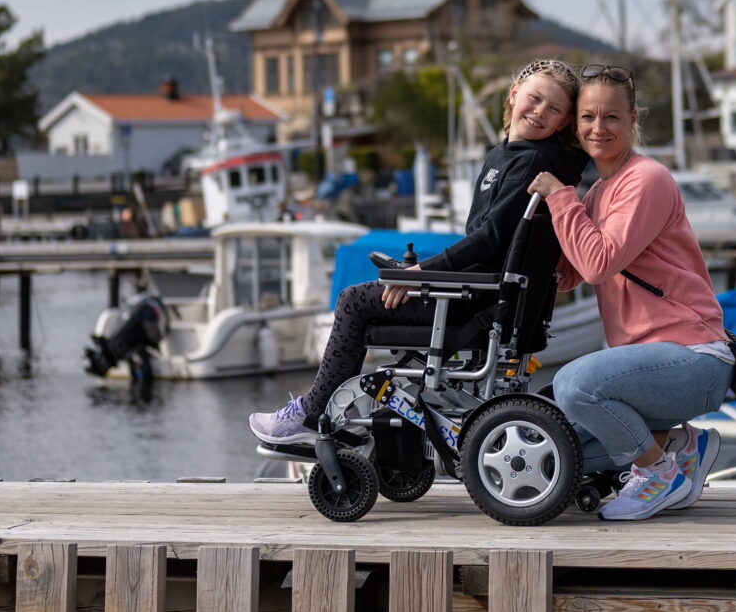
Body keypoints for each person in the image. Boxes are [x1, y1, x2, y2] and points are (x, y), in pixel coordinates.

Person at [249, 59, 588, 445]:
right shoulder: (507, 156)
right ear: (515, 94)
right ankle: (341, 418)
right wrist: (422, 274)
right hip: (481, 295)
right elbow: (487, 241)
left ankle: (313, 414)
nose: (541, 111)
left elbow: (490, 239)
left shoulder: (530, 161)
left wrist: (421, 274)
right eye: (535, 98)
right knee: (371, 292)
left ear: (562, 122)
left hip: (477, 304)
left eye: (554, 108)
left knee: (353, 301)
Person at [528, 64, 734, 521]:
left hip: (693, 357)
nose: (598, 128)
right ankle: (684, 446)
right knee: (569, 445)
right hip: (651, 367)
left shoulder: (647, 179)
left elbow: (599, 264)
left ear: (633, 120)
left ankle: (659, 472)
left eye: (612, 117)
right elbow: (570, 275)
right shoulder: (599, 192)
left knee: (573, 383)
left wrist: (560, 197)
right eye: (587, 118)